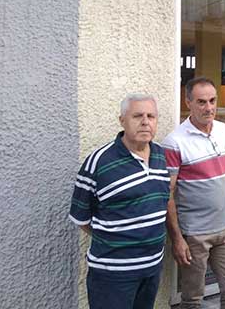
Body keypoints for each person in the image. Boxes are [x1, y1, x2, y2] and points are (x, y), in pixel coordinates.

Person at [69, 94, 170, 309]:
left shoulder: (160, 155)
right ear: (122, 120)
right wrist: (115, 241)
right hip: (112, 275)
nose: (145, 122)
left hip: (151, 268)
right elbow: (81, 217)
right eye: (137, 116)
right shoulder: (99, 162)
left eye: (151, 116)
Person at [163, 77, 225, 309]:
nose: (208, 107)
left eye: (212, 100)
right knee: (192, 299)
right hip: (195, 234)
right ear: (188, 102)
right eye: (201, 102)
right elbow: (167, 193)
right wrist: (177, 238)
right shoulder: (174, 142)